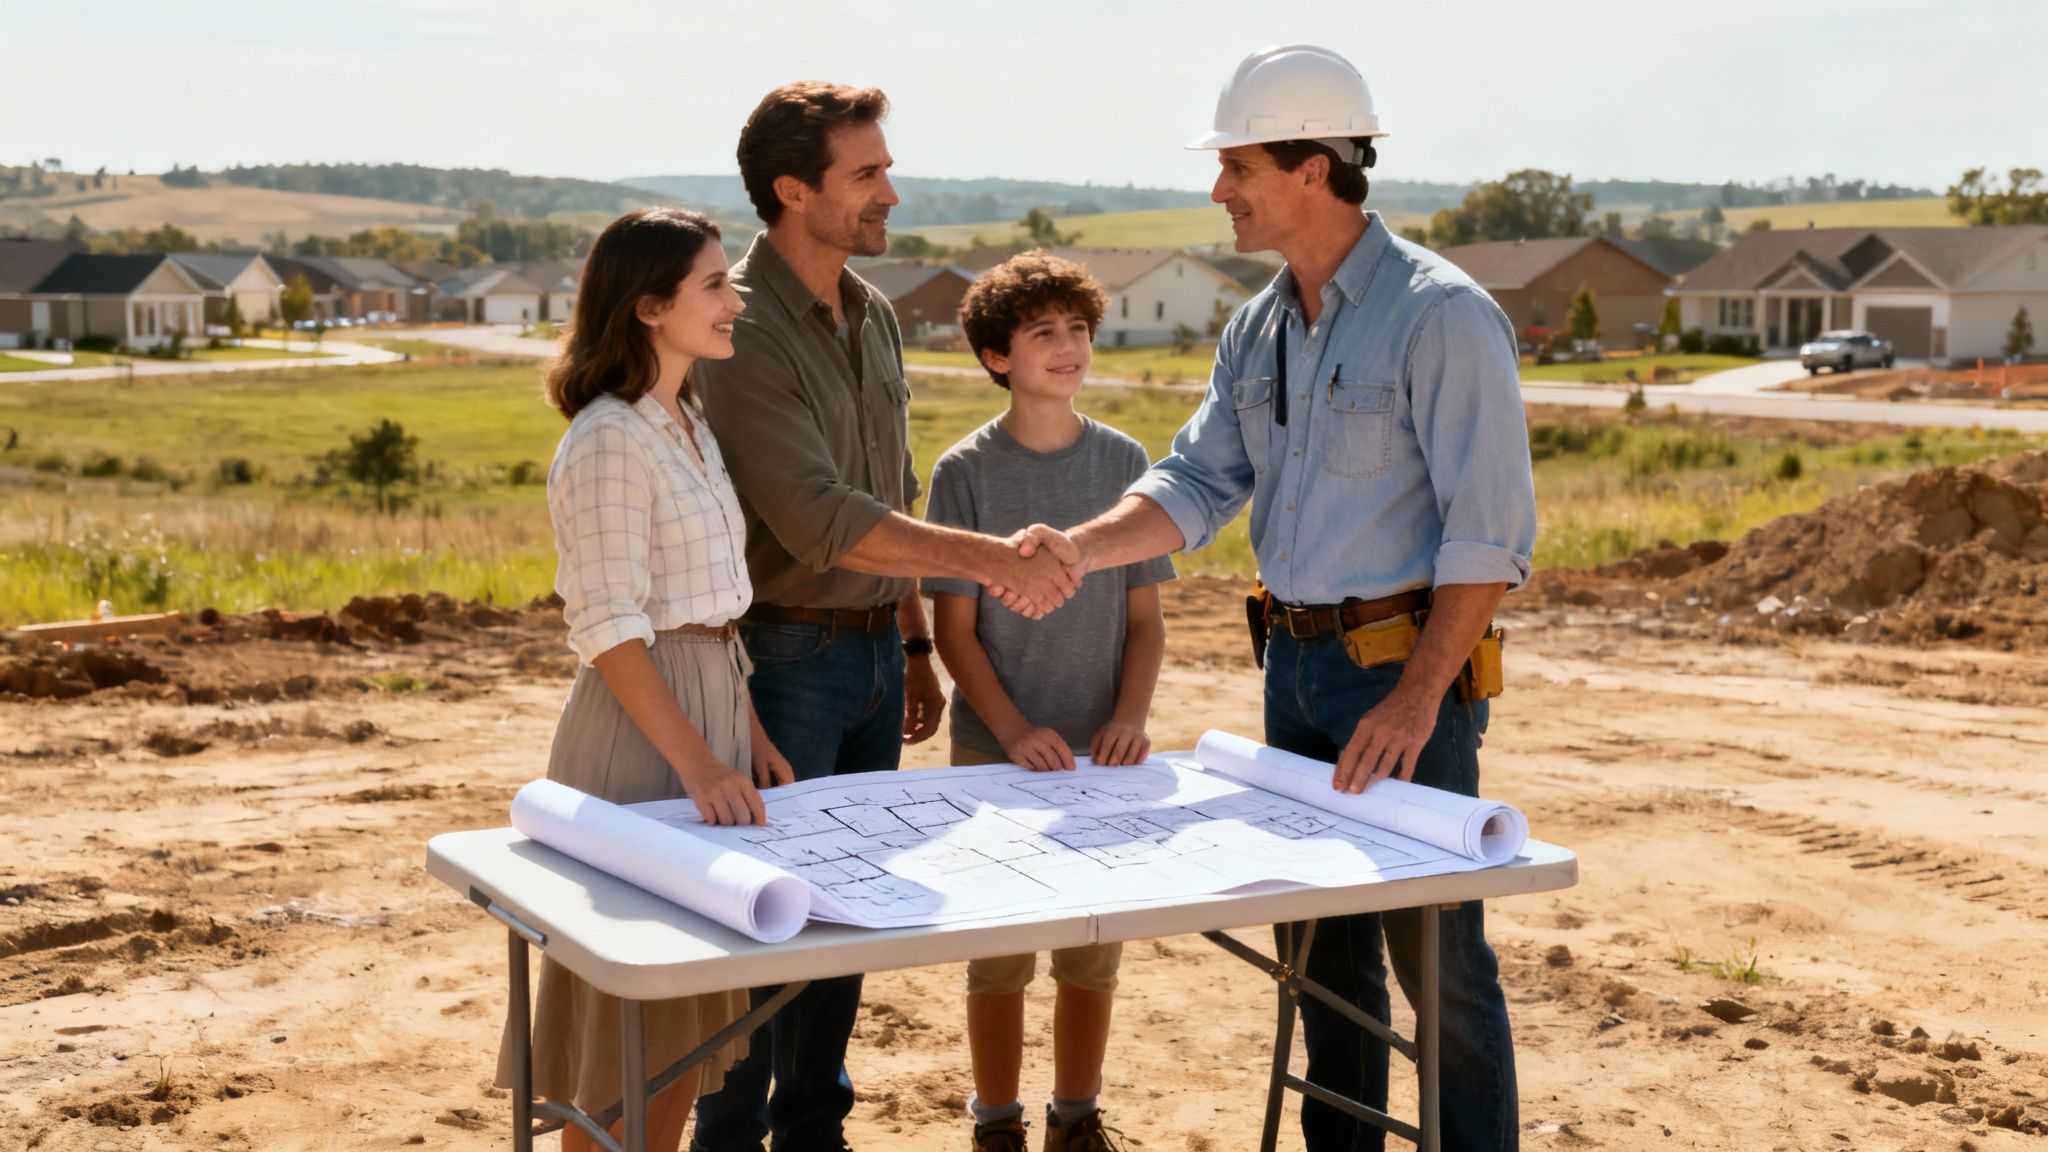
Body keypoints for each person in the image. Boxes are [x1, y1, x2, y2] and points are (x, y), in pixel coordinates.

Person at [1058, 45, 1539, 1152]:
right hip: (1293, 671)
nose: (1218, 190)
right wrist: (1076, 551)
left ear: (1314, 167)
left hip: (1398, 676)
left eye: (1236, 165)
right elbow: (1194, 484)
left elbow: (1487, 539)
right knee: (1321, 958)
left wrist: (1419, 698)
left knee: (1438, 964)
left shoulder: (1441, 316)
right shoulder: (1256, 325)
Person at [691, 83, 1080, 1152]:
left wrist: (912, 643)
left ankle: (815, 1135)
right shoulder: (742, 324)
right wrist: (994, 561)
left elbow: (888, 492)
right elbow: (820, 518)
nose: (890, 193)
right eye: (865, 175)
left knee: (842, 925)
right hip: (780, 659)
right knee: (760, 938)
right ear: (791, 190)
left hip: (866, 658)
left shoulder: (866, 313)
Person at [495, 206, 796, 1152]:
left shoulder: (687, 420)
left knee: (688, 1021)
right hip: (640, 733)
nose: (735, 299)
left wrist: (745, 736)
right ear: (649, 306)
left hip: (709, 704)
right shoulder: (608, 439)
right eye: (714, 283)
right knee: (623, 1033)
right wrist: (701, 764)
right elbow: (611, 627)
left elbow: (712, 611)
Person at [923, 251, 1171, 1152]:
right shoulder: (965, 472)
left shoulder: (1127, 463)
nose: (1067, 348)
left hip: (1101, 754)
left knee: (1091, 948)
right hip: (997, 751)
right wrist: (1014, 728)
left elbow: (1145, 623)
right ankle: (996, 1124)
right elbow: (955, 635)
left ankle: (1076, 1118)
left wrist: (1130, 717)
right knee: (999, 952)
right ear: (998, 356)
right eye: (1042, 334)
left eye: (1078, 330)